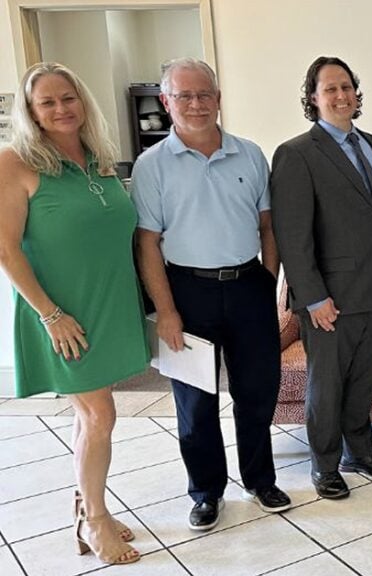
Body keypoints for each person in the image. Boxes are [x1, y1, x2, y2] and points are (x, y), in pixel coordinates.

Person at [133, 58, 290, 529]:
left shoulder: (249, 154)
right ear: (166, 102)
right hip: (186, 292)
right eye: (184, 96)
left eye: (204, 94)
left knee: (257, 392)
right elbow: (147, 242)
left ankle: (260, 479)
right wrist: (165, 311)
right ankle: (205, 491)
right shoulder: (151, 165)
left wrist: (268, 280)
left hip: (248, 287)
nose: (196, 104)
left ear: (218, 99)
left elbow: (267, 225)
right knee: (195, 402)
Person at [0, 62, 145, 566]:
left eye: (68, 98)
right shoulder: (14, 162)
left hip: (107, 303)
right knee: (99, 414)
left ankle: (88, 502)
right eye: (47, 102)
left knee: (90, 415)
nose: (61, 109)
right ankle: (95, 520)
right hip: (62, 314)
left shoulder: (97, 159)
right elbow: (5, 248)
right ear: (32, 111)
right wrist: (49, 314)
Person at [270, 56, 372, 499]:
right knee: (326, 387)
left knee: (364, 380)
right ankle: (325, 466)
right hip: (330, 301)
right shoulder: (296, 154)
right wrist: (312, 298)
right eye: (330, 89)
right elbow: (293, 235)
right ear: (313, 97)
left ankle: (360, 452)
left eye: (346, 86)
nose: (340, 95)